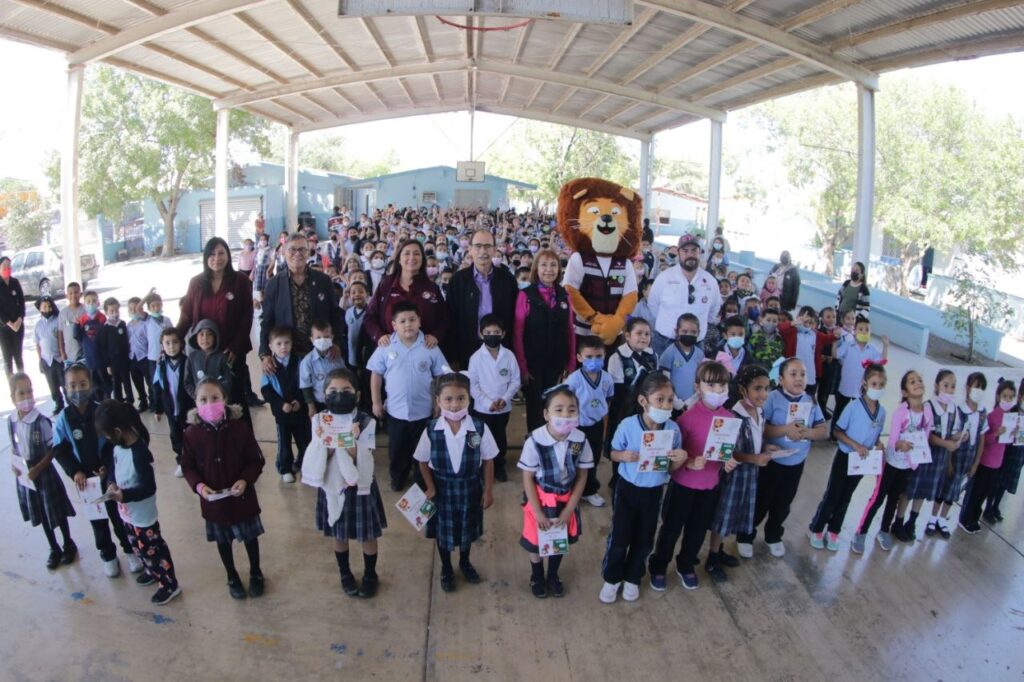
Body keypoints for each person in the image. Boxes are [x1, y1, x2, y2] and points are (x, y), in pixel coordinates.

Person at [648, 361, 738, 591]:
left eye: (722, 385)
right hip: (682, 486)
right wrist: (688, 461)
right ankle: (658, 567)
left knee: (697, 532)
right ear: (697, 387)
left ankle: (686, 564)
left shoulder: (729, 418)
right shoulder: (685, 419)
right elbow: (671, 457)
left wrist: (728, 461)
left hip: (710, 487)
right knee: (670, 530)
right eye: (711, 385)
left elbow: (726, 452)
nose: (718, 391)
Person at [601, 373, 687, 604]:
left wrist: (681, 457)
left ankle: (633, 577)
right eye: (660, 399)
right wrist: (623, 456)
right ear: (643, 401)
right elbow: (612, 453)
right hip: (627, 489)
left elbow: (672, 468)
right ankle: (612, 577)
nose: (666, 405)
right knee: (620, 536)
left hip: (654, 491)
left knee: (644, 538)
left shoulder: (673, 430)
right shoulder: (628, 425)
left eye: (670, 400)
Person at [301, 368, 384, 598]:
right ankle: (345, 573)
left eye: (346, 390)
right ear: (324, 394)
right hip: (333, 486)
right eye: (333, 390)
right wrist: (322, 441)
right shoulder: (319, 419)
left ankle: (370, 574)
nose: (340, 394)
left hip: (360, 488)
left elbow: (363, 458)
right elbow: (320, 457)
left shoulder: (365, 420)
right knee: (339, 535)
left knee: (367, 534)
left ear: (357, 394)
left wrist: (349, 440)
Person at [181, 378, 266, 600]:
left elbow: (256, 461)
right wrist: (199, 487)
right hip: (214, 503)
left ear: (225, 399)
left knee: (250, 537)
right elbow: (187, 467)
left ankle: (256, 572)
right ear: (196, 403)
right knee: (223, 541)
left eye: (215, 398)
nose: (210, 404)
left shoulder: (240, 428)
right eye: (203, 399)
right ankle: (232, 576)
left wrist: (246, 480)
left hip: (242, 498)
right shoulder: (191, 434)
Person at [736, 358, 828, 559]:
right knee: (762, 500)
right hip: (772, 461)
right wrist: (785, 430)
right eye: (793, 374)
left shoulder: (810, 400)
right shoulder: (772, 398)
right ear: (780, 379)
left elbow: (822, 430)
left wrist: (806, 433)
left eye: (802, 374)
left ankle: (773, 535)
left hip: (796, 462)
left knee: (784, 502)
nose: (799, 379)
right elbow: (762, 427)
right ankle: (746, 535)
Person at [52, 365, 138, 577]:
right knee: (97, 520)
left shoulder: (101, 411)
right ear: (65, 388)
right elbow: (60, 449)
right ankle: (108, 555)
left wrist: (108, 468)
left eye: (82, 384)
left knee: (119, 516)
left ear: (90, 385)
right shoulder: (63, 418)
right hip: (86, 482)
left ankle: (130, 551)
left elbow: (114, 443)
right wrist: (75, 472)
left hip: (108, 476)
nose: (78, 389)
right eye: (72, 385)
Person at [415, 373, 498, 594]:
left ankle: (464, 561)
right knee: (444, 532)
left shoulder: (478, 428)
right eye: (448, 399)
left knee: (466, 529)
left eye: (461, 398)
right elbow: (422, 462)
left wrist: (488, 490)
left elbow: (489, 461)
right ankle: (446, 568)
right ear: (438, 401)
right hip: (443, 491)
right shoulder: (431, 430)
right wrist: (430, 487)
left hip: (470, 488)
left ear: (469, 399)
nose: (454, 404)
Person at [96, 400, 182, 605]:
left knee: (154, 549)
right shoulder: (117, 448)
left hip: (143, 516)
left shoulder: (140, 452)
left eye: (108, 435)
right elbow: (113, 467)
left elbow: (148, 487)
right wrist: (110, 483)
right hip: (127, 513)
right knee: (139, 548)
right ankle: (152, 571)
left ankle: (169, 584)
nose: (107, 439)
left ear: (117, 431)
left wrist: (124, 495)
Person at [518, 385, 591, 598]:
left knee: (560, 538)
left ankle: (553, 575)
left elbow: (582, 475)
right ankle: (537, 574)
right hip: (539, 498)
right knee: (535, 540)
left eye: (571, 409)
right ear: (546, 414)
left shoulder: (580, 439)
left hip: (566, 499)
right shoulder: (535, 440)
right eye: (558, 410)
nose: (565, 415)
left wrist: (570, 509)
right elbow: (527, 477)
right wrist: (537, 510)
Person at [368, 302, 450, 491]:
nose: (408, 325)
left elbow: (440, 375)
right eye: (402, 321)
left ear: (420, 321)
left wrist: (438, 403)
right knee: (397, 449)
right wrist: (376, 402)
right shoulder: (386, 346)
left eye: (412, 320)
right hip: (396, 412)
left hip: (423, 411)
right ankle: (398, 476)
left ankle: (421, 478)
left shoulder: (430, 346)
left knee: (422, 449)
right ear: (393, 324)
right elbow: (376, 374)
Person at [809, 363, 887, 553]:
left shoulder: (882, 412)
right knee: (833, 494)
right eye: (874, 383)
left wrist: (877, 445)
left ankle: (835, 530)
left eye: (881, 384)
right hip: (845, 456)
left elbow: (876, 435)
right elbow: (837, 431)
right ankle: (817, 528)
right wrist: (855, 445)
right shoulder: (853, 406)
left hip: (862, 462)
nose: (877, 388)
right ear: (865, 383)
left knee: (846, 497)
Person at [177, 238, 258, 417]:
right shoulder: (196, 283)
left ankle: (241, 443)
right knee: (207, 402)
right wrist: (174, 338)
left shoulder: (241, 281)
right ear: (206, 257)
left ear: (228, 255)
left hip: (231, 354)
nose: (217, 258)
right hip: (204, 354)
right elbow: (186, 316)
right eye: (212, 254)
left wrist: (235, 348)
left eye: (221, 253)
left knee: (235, 401)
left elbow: (246, 318)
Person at [853, 371, 932, 552]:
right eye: (912, 382)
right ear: (905, 392)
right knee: (878, 498)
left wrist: (916, 462)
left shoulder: (927, 412)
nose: (918, 383)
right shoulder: (900, 412)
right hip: (891, 464)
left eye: (919, 380)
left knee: (894, 499)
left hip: (908, 466)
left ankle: (884, 530)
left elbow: (925, 439)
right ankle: (861, 532)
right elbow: (893, 440)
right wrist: (900, 444)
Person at [708, 365, 776, 572]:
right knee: (723, 517)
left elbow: (757, 437)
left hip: (749, 475)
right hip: (733, 476)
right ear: (743, 389)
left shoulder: (759, 412)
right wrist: (754, 458)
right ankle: (712, 558)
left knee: (735, 514)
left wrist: (765, 447)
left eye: (766, 388)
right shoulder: (733, 417)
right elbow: (728, 452)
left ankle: (719, 552)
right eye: (757, 388)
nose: (763, 394)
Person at [7, 373, 77, 570]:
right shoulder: (11, 421)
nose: (27, 396)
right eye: (22, 393)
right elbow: (14, 446)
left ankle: (68, 543)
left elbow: (53, 448)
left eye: (30, 390)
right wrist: (15, 464)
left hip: (44, 474)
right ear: (13, 398)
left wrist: (38, 467)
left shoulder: (41, 421)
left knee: (56, 511)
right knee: (41, 512)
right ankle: (54, 547)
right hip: (27, 476)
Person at [260, 233, 346, 370]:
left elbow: (335, 314)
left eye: (302, 249)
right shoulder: (274, 284)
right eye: (292, 249)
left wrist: (336, 342)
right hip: (287, 352)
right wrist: (265, 353)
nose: (297, 253)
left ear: (308, 253)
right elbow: (267, 320)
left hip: (319, 351)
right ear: (284, 251)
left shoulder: (323, 280)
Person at [513, 249, 576, 432]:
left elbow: (570, 331)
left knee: (556, 407)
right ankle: (534, 449)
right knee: (536, 410)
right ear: (536, 269)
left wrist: (571, 364)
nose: (549, 269)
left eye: (553, 265)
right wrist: (523, 367)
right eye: (544, 265)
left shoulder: (565, 295)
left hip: (557, 363)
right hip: (533, 365)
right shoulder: (526, 295)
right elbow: (518, 334)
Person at [899, 370, 963, 541]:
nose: (949, 390)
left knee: (922, 493)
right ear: (936, 386)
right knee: (909, 490)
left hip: (939, 461)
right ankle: (899, 521)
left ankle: (911, 522)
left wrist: (958, 437)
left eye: (953, 386)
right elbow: (927, 435)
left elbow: (953, 432)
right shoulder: (928, 406)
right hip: (922, 456)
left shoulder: (954, 409)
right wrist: (946, 443)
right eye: (946, 385)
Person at [447, 229, 518, 369]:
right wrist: (452, 357)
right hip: (467, 350)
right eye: (478, 246)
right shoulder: (458, 280)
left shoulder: (508, 280)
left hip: (500, 350)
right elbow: (451, 320)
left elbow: (513, 320)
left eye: (487, 246)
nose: (483, 251)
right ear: (470, 249)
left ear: (494, 250)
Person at [648, 233, 722, 357]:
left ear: (700, 252)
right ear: (678, 252)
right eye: (685, 250)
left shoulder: (710, 281)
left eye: (694, 250)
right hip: (664, 343)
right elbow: (653, 305)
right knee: (661, 376)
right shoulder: (664, 278)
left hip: (695, 345)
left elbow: (713, 310)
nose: (690, 254)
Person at [363, 239, 447, 349]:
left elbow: (444, 319)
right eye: (407, 253)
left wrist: (436, 336)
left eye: (416, 254)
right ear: (399, 259)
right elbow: (370, 317)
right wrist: (379, 336)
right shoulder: (386, 285)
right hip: (390, 350)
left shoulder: (432, 288)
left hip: (424, 351)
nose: (411, 257)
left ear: (422, 259)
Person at [468, 314, 521, 483]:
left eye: (496, 332)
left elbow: (515, 381)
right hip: (483, 409)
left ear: (503, 334)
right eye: (488, 332)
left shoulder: (509, 356)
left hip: (503, 408)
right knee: (481, 439)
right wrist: (487, 403)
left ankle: (499, 466)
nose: (492, 335)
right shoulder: (476, 358)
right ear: (481, 334)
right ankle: (482, 469)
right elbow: (473, 385)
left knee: (500, 438)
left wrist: (504, 399)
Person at [959, 379, 1017, 534]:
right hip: (985, 461)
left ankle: (974, 518)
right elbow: (984, 440)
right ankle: (965, 519)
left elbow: (1009, 443)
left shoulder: (1012, 418)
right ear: (998, 396)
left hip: (997, 463)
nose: (1008, 400)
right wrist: (996, 434)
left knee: (984, 493)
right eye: (1005, 396)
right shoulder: (992, 416)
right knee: (975, 492)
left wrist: (1014, 434)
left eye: (1011, 397)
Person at [933, 373, 987, 536]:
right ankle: (933, 518)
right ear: (967, 387)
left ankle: (943, 520)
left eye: (982, 388)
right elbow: (951, 436)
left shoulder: (982, 412)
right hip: (955, 457)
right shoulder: (958, 410)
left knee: (954, 491)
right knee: (943, 489)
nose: (978, 390)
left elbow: (982, 438)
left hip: (968, 460)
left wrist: (976, 463)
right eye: (975, 386)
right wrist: (949, 462)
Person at [606, 318, 657, 486]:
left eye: (647, 334)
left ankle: (639, 473)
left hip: (644, 409)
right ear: (627, 336)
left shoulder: (652, 355)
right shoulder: (616, 357)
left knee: (641, 441)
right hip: (623, 408)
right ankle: (617, 478)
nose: (643, 337)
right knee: (622, 442)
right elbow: (618, 389)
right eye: (639, 333)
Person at [564, 336, 614, 508]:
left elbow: (607, 399)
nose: (594, 360)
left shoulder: (607, 379)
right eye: (589, 357)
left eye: (599, 356)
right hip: (576, 427)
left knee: (592, 459)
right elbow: (565, 401)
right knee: (573, 459)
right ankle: (569, 491)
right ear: (579, 358)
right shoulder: (574, 379)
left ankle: (589, 491)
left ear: (605, 355)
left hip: (596, 426)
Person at [260, 327, 309, 483]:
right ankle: (285, 468)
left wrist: (299, 401)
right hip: (282, 413)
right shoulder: (269, 366)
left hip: (300, 410)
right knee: (284, 442)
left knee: (305, 440)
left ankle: (303, 464)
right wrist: (280, 404)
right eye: (279, 343)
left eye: (286, 343)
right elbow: (266, 390)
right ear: (270, 346)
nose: (283, 347)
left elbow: (305, 383)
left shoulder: (300, 362)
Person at [832, 316, 889, 437]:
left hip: (861, 389)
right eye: (860, 329)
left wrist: (885, 346)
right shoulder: (848, 345)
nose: (863, 332)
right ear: (855, 331)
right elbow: (836, 354)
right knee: (840, 410)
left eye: (866, 330)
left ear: (870, 332)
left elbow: (882, 361)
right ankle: (834, 434)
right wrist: (835, 342)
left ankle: (850, 434)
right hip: (845, 387)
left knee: (857, 412)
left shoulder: (872, 350)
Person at [151, 328, 193, 477]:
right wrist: (157, 409)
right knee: (176, 437)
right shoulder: (161, 365)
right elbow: (157, 386)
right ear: (162, 346)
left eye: (175, 342)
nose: (171, 346)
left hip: (188, 409)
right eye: (167, 343)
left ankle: (194, 461)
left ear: (181, 343)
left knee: (191, 435)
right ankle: (181, 462)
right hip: (170, 409)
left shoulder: (188, 362)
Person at [986, 378, 1024, 523]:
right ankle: (988, 507)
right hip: (1007, 452)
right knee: (998, 481)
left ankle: (996, 506)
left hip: (1019, 453)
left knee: (1006, 483)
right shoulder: (1012, 410)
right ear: (1020, 394)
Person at [300, 320, 346, 415]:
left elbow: (345, 377)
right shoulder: (307, 362)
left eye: (326, 337)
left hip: (337, 401)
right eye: (318, 337)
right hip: (319, 404)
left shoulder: (337, 358)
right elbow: (306, 386)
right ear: (312, 339)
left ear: (332, 338)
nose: (322, 340)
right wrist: (311, 407)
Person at [659, 313, 704, 407]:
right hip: (672, 402)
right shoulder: (670, 352)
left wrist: (694, 399)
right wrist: (674, 400)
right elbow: (664, 378)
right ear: (677, 331)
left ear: (698, 333)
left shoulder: (700, 354)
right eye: (685, 331)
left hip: (693, 402)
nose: (689, 334)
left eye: (693, 332)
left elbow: (701, 379)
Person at [184, 319, 233, 400]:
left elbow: (227, 380)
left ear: (215, 337)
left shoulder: (222, 357)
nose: (205, 338)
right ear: (196, 337)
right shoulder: (191, 357)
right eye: (201, 334)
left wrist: (217, 396)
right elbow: (187, 382)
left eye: (209, 334)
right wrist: (197, 396)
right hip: (199, 402)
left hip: (217, 401)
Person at [74, 291, 108, 399]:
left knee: (105, 382)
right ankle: (97, 402)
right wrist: (76, 325)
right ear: (84, 304)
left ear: (98, 303)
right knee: (93, 383)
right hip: (89, 358)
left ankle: (107, 400)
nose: (91, 304)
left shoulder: (102, 318)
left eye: (94, 301)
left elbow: (106, 338)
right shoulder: (82, 319)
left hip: (102, 358)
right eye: (88, 301)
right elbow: (77, 336)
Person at [98, 298, 132, 404]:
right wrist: (107, 364)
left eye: (116, 310)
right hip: (113, 362)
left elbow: (127, 341)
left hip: (124, 360)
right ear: (106, 312)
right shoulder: (105, 328)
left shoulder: (122, 324)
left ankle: (130, 401)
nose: (114, 313)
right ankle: (119, 402)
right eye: (111, 311)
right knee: (116, 383)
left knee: (127, 381)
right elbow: (103, 348)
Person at [34, 296, 64, 414]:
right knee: (53, 385)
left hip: (58, 358)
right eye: (44, 307)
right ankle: (58, 404)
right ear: (40, 308)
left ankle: (69, 402)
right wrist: (40, 359)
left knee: (64, 383)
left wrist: (63, 354)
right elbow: (37, 343)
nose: (47, 309)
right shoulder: (38, 325)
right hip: (47, 360)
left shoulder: (57, 321)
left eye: (49, 306)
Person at [0, 256, 26, 379]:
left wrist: (19, 319)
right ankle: (12, 385)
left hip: (18, 325)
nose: (7, 268)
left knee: (18, 355)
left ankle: (22, 381)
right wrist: (10, 323)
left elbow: (22, 302)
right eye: (4, 266)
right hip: (4, 328)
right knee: (7, 358)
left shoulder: (15, 282)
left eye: (9, 266)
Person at [127, 297, 150, 412]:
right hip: (132, 358)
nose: (133, 311)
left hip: (144, 356)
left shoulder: (145, 324)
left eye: (135, 309)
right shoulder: (127, 325)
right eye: (130, 309)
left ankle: (154, 401)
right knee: (137, 381)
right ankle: (143, 400)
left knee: (149, 381)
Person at [57, 282, 85, 366]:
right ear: (66, 296)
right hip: (69, 356)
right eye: (70, 293)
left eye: (76, 292)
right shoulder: (63, 313)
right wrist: (62, 352)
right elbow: (60, 333)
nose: (73, 295)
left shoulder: (85, 310)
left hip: (84, 354)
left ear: (81, 294)